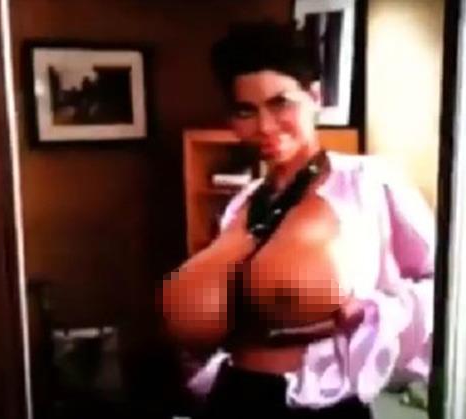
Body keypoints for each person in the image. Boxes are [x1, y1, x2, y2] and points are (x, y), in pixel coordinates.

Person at [159, 21, 435, 419]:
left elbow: (448, 293)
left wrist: (369, 312)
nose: (265, 127)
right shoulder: (242, 204)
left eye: (280, 103)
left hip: (317, 405)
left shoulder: (368, 182)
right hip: (231, 396)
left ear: (315, 96)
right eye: (245, 111)